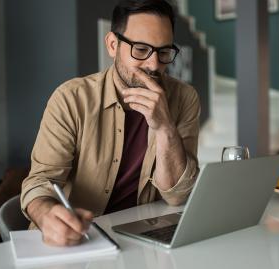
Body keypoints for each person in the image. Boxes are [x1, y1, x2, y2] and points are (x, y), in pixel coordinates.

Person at [20, 0, 200, 246]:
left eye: (164, 52)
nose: (154, 64)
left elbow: (179, 195)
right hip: (80, 240)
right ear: (113, 45)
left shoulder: (184, 98)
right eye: (140, 49)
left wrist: (164, 127)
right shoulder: (71, 98)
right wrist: (45, 214)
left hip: (139, 239)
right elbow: (40, 181)